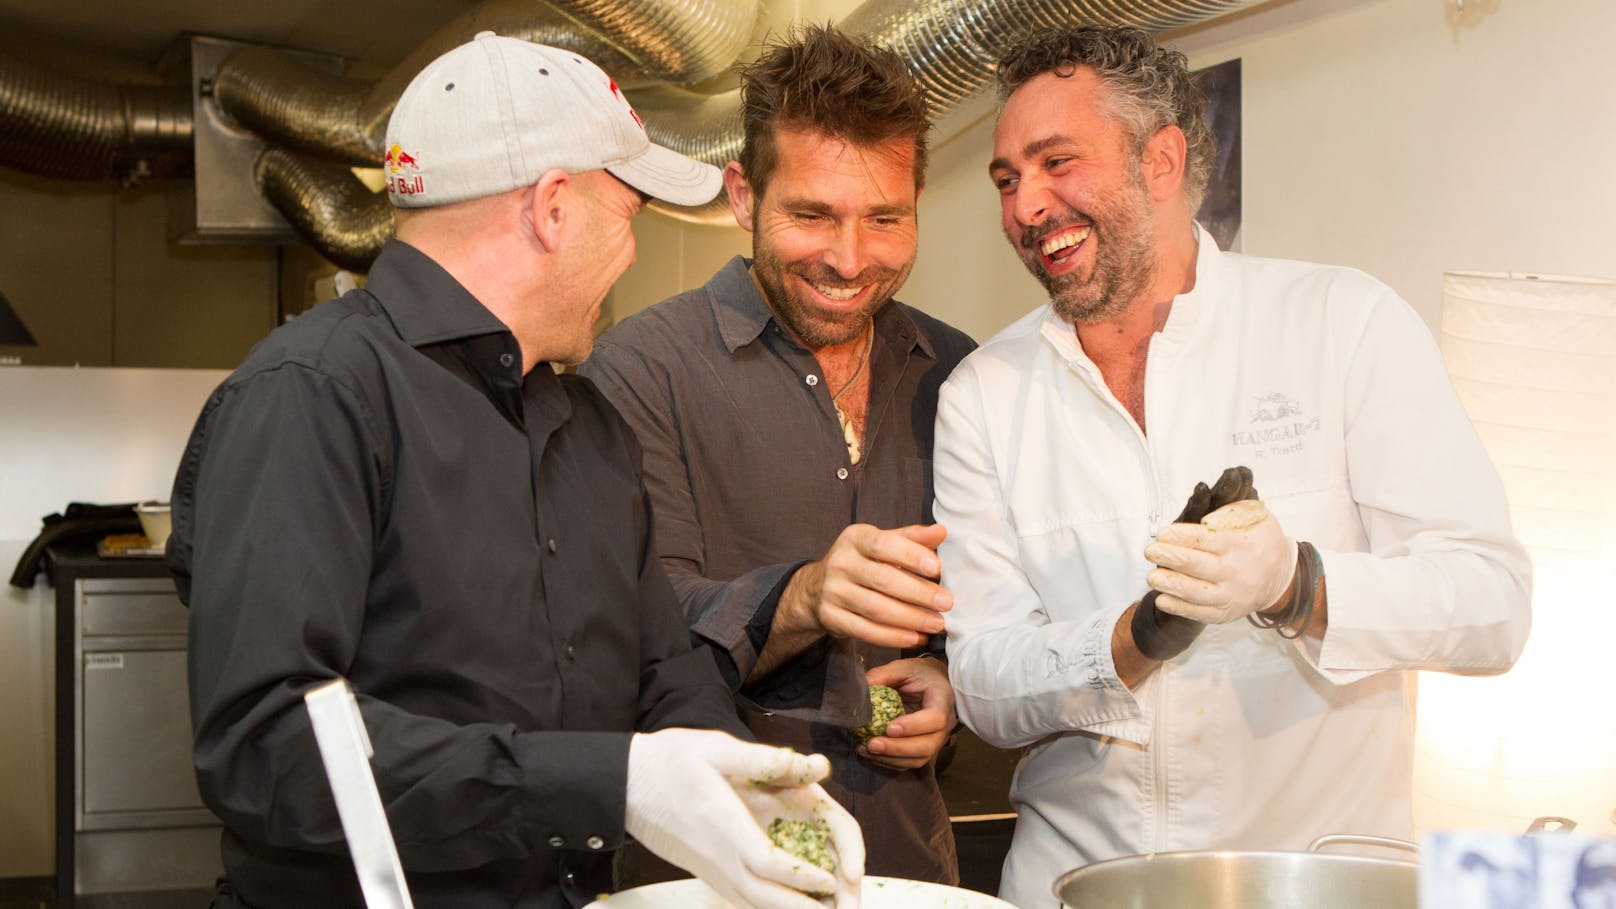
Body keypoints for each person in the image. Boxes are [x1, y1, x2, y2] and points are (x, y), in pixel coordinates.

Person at [169, 32, 862, 909]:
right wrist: (609, 781)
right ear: (554, 208)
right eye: (630, 214)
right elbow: (266, 748)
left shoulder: (591, 425)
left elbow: (663, 667)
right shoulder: (310, 394)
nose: (634, 252)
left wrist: (751, 782)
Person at [931, 24, 1532, 906]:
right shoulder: (984, 394)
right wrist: (1136, 636)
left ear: (1162, 161)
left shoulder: (1342, 323)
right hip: (1076, 884)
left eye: (1058, 161)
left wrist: (1299, 584)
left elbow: (1492, 604)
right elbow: (983, 681)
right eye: (1008, 179)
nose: (1027, 204)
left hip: (1307, 882)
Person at [579, 25, 974, 885]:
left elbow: (997, 599)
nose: (849, 257)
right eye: (811, 214)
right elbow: (632, 637)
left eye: (885, 218)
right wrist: (804, 596)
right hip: (705, 879)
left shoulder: (959, 374)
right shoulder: (641, 370)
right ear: (743, 196)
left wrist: (953, 691)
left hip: (907, 869)